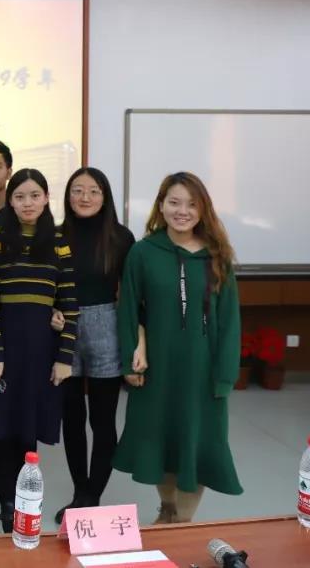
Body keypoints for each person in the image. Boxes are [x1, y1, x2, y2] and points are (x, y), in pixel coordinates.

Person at [113, 171, 242, 524]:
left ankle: (183, 522)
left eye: (191, 204)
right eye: (174, 202)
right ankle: (167, 510)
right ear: (161, 206)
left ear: (203, 210)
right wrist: (129, 360)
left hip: (202, 370)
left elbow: (229, 321)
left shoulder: (217, 256)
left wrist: (224, 375)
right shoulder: (143, 252)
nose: (182, 211)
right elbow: (129, 309)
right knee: (162, 443)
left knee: (195, 445)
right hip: (157, 369)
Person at [0, 168, 79, 532]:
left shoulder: (59, 242)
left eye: (35, 195)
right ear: (10, 200)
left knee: (27, 431)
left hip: (41, 351)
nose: (27, 203)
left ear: (46, 198)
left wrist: (65, 358)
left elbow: (70, 304)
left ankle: (23, 501)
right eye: (19, 196)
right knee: (0, 430)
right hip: (4, 350)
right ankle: (7, 503)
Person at [55, 167, 135, 522]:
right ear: (68, 195)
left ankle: (93, 496)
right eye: (77, 190)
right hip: (64, 329)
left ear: (105, 196)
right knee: (71, 418)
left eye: (93, 191)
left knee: (103, 420)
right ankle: (79, 492)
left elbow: (132, 294)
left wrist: (135, 344)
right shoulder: (54, 235)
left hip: (107, 326)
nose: (84, 197)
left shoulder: (121, 237)